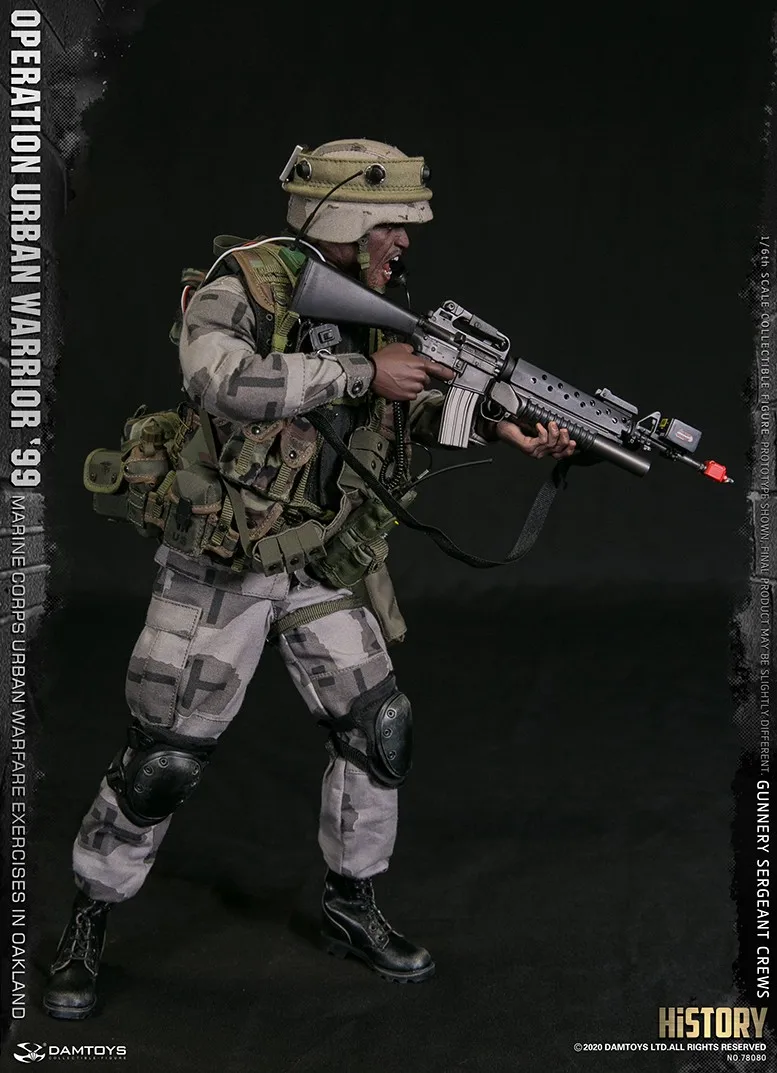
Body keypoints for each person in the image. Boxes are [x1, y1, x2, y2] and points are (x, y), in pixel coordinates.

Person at [43, 138, 575, 1020]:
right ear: (346, 217)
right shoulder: (245, 283)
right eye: (391, 223)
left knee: (379, 729)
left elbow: (394, 411)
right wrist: (364, 370)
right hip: (221, 564)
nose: (403, 239)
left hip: (317, 560)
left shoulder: (374, 301)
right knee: (161, 762)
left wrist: (496, 425)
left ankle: (350, 902)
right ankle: (88, 917)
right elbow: (216, 377)